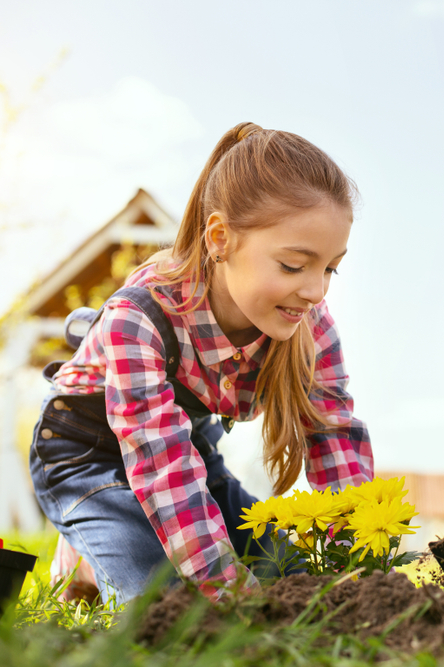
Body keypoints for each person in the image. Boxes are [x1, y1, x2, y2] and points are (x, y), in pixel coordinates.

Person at [29, 122, 373, 604]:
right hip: (90, 455)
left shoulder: (310, 324)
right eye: (294, 266)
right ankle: (93, 547)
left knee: (295, 577)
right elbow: (162, 468)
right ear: (220, 238)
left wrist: (356, 569)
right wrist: (230, 593)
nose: (316, 290)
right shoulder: (138, 317)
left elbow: (332, 435)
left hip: (189, 452)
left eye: (330, 267)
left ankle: (121, 543)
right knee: (174, 604)